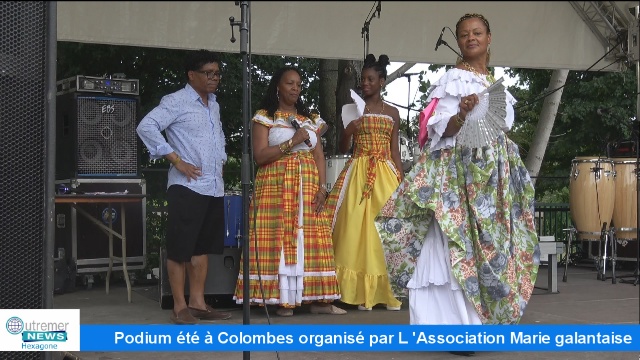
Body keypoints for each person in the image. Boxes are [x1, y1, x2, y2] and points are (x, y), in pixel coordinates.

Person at [374, 12, 540, 334]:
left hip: (493, 176)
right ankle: (450, 324)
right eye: (464, 34)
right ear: (459, 42)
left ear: (489, 38)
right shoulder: (452, 79)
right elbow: (441, 128)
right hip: (459, 171)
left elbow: (500, 128)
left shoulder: (494, 85)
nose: (471, 38)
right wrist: (462, 114)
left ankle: (481, 322)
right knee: (456, 238)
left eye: (477, 32)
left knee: (489, 244)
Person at [233, 66, 346, 317]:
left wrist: (322, 189)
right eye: (289, 83)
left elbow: (318, 155)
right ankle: (281, 299)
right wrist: (292, 142)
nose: (295, 88)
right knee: (280, 238)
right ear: (278, 86)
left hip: (307, 186)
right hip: (275, 185)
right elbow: (260, 156)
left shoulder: (309, 119)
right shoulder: (265, 117)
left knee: (310, 240)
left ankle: (318, 299)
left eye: (298, 84)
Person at [137, 49, 231, 325]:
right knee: (180, 248)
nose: (214, 78)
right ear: (192, 75)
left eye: (217, 73)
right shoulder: (176, 101)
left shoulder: (213, 104)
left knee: (202, 248)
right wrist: (176, 160)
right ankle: (179, 306)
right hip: (187, 186)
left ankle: (198, 302)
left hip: (213, 186)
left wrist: (222, 160)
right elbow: (146, 126)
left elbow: (219, 137)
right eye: (208, 73)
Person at [324, 54, 404, 311]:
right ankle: (353, 291)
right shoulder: (352, 108)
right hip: (358, 171)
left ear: (382, 81)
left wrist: (401, 180)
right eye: (363, 80)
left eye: (370, 79)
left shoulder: (393, 112)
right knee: (353, 231)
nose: (365, 84)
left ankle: (383, 291)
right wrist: (350, 129)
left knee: (383, 232)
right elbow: (342, 146)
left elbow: (395, 151)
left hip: (385, 175)